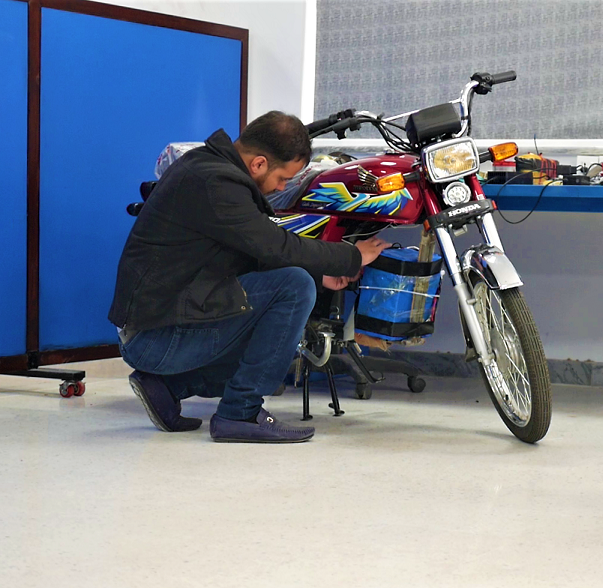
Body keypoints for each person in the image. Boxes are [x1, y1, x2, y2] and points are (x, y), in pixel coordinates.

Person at [108, 111, 391, 443]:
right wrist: (352, 256)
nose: (282, 187)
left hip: (153, 328)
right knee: (294, 290)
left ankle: (167, 388)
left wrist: (321, 278)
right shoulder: (217, 183)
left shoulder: (207, 167)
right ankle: (239, 413)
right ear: (258, 164)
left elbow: (245, 256)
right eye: (283, 179)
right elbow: (275, 247)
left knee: (284, 322)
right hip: (155, 340)